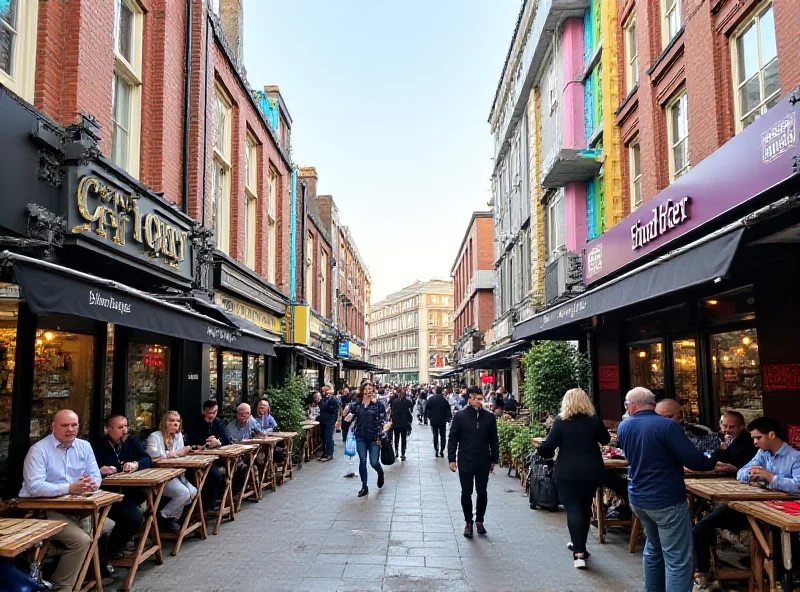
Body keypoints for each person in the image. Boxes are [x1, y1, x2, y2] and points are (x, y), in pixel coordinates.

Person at [617, 388, 713, 592]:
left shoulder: (624, 426)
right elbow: (695, 462)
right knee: (677, 558)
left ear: (632, 405)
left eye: (626, 405)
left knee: (654, 548)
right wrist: (713, 457)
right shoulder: (667, 426)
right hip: (666, 497)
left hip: (639, 497)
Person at [694, 417, 800, 591]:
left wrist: (771, 478)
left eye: (758, 438)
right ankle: (703, 574)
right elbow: (742, 472)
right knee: (702, 526)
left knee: (777, 541)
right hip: (753, 505)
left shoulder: (795, 457)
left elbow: (798, 485)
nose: (755, 442)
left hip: (780, 511)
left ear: (771, 435)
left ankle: (782, 580)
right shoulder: (763, 453)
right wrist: (752, 473)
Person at [20, 410, 115, 591]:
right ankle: (62, 586)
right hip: (41, 510)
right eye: (65, 425)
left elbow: (96, 476)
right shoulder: (39, 450)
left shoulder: (84, 446)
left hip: (76, 507)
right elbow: (34, 487)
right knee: (82, 541)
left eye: (74, 425)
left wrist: (90, 484)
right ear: (53, 427)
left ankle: (83, 572)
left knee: (107, 525)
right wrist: (70, 488)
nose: (70, 429)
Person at [537, 389, 610, 569]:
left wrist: (541, 448)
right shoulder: (594, 421)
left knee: (573, 510)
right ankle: (581, 547)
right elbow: (606, 439)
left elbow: (549, 446)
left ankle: (578, 552)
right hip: (591, 471)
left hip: (567, 472)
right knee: (584, 509)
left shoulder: (560, 422)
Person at [92, 414, 151, 560]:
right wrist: (100, 470)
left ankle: (114, 548)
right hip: (109, 493)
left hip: (132, 490)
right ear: (108, 429)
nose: (124, 430)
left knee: (140, 511)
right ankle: (109, 551)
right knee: (134, 519)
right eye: (120, 427)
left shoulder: (132, 441)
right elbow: (89, 470)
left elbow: (147, 459)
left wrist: (136, 464)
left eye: (125, 426)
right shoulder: (98, 446)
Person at [448, 386, 499, 539]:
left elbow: (493, 440)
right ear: (469, 398)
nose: (479, 402)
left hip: (483, 460)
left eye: (481, 399)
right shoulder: (460, 416)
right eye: (476, 399)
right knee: (466, 492)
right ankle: (468, 521)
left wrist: (494, 459)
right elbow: (453, 439)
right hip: (465, 459)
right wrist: (451, 459)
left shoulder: (489, 417)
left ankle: (480, 521)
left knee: (482, 492)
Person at [146, 411, 197, 533]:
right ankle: (163, 517)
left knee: (194, 492)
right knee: (184, 494)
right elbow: (153, 457)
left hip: (175, 474)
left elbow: (180, 458)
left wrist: (179, 454)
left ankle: (171, 517)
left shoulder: (178, 437)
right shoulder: (154, 437)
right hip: (159, 475)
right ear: (164, 423)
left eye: (177, 421)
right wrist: (175, 454)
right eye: (171, 420)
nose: (175, 423)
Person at [184, 400, 230, 513]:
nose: (212, 415)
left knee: (231, 470)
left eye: (214, 412)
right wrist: (204, 446)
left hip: (216, 458)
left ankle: (211, 502)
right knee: (215, 475)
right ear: (204, 411)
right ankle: (204, 507)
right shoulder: (195, 423)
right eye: (210, 412)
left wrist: (218, 442)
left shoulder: (218, 423)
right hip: (198, 460)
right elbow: (190, 443)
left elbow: (228, 440)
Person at [343, 381, 387, 497]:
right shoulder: (357, 404)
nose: (368, 390)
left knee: (374, 462)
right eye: (366, 388)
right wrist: (347, 415)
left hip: (374, 438)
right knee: (362, 460)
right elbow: (347, 415)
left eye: (370, 388)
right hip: (360, 437)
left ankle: (380, 472)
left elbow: (384, 419)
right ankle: (364, 486)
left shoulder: (378, 404)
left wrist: (382, 430)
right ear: (362, 390)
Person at [655, 399, 720, 455]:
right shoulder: (653, 435)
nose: (662, 422)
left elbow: (711, 456)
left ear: (680, 415)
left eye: (667, 417)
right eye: (658, 418)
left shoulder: (701, 431)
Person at [425, 386, 452, 458]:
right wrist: (448, 418)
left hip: (434, 420)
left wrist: (429, 416)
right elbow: (448, 410)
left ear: (436, 391)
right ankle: (442, 450)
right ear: (441, 391)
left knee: (435, 435)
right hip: (442, 420)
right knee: (442, 435)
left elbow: (427, 409)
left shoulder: (431, 399)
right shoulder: (444, 400)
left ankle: (436, 449)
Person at [389, 389, 414, 460]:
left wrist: (391, 420)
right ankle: (403, 453)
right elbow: (410, 411)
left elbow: (391, 411)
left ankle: (396, 452)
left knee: (396, 438)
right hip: (404, 423)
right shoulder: (408, 402)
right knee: (403, 439)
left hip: (396, 423)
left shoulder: (394, 401)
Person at [318, 385, 341, 462]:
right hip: (323, 420)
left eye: (325, 390)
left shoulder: (332, 398)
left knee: (328, 437)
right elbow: (321, 406)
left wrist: (335, 420)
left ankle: (330, 454)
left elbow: (337, 407)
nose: (323, 392)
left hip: (329, 420)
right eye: (323, 390)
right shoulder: (324, 399)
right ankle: (325, 452)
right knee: (324, 437)